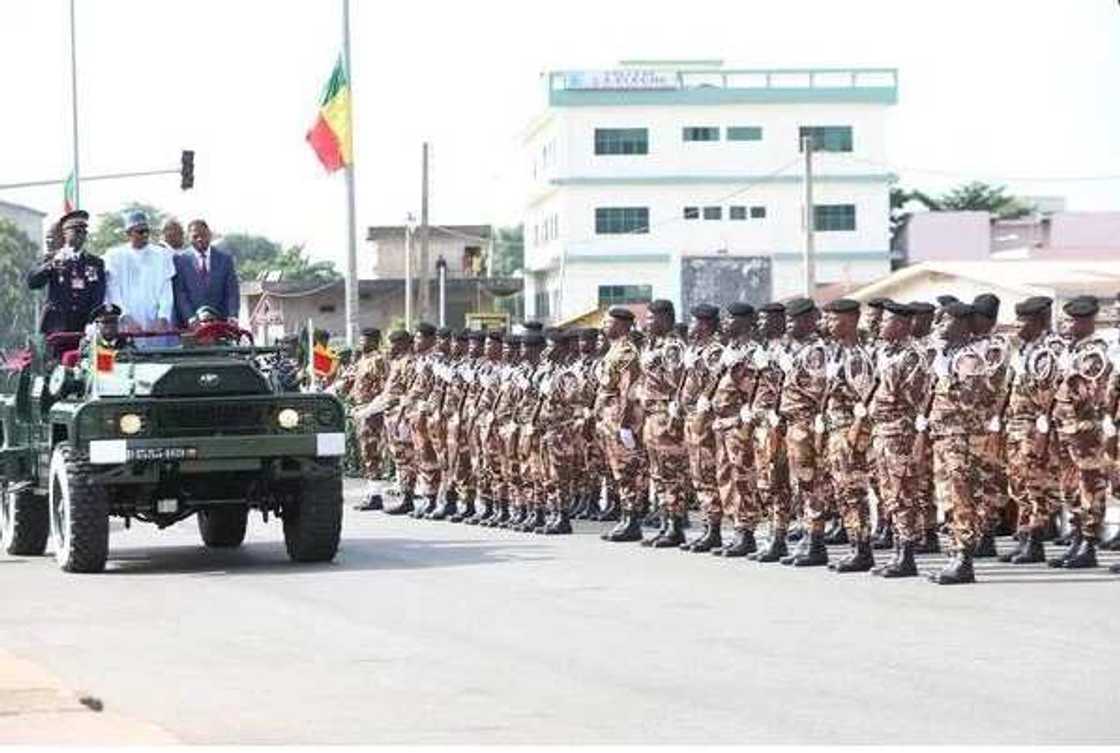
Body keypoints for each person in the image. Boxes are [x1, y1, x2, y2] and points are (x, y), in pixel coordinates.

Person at [27, 209, 106, 338]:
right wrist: (51, 265)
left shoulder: (95, 263)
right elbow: (32, 283)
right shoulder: (51, 258)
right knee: (54, 358)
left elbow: (98, 295)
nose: (82, 235)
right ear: (65, 233)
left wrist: (93, 320)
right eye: (77, 231)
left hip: (84, 324)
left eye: (84, 231)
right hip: (55, 325)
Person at [104, 210, 175, 341]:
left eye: (147, 231)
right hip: (125, 324)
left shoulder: (162, 255)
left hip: (155, 324)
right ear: (128, 233)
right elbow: (112, 291)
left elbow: (166, 290)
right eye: (140, 232)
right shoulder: (114, 256)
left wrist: (163, 316)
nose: (145, 235)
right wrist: (125, 317)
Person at [172, 219, 240, 328]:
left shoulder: (225, 260)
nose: (200, 239)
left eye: (203, 235)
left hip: (220, 325)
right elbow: (180, 294)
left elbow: (232, 292)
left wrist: (233, 316)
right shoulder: (180, 260)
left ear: (210, 235)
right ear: (188, 238)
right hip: (191, 327)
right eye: (195, 236)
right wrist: (190, 317)